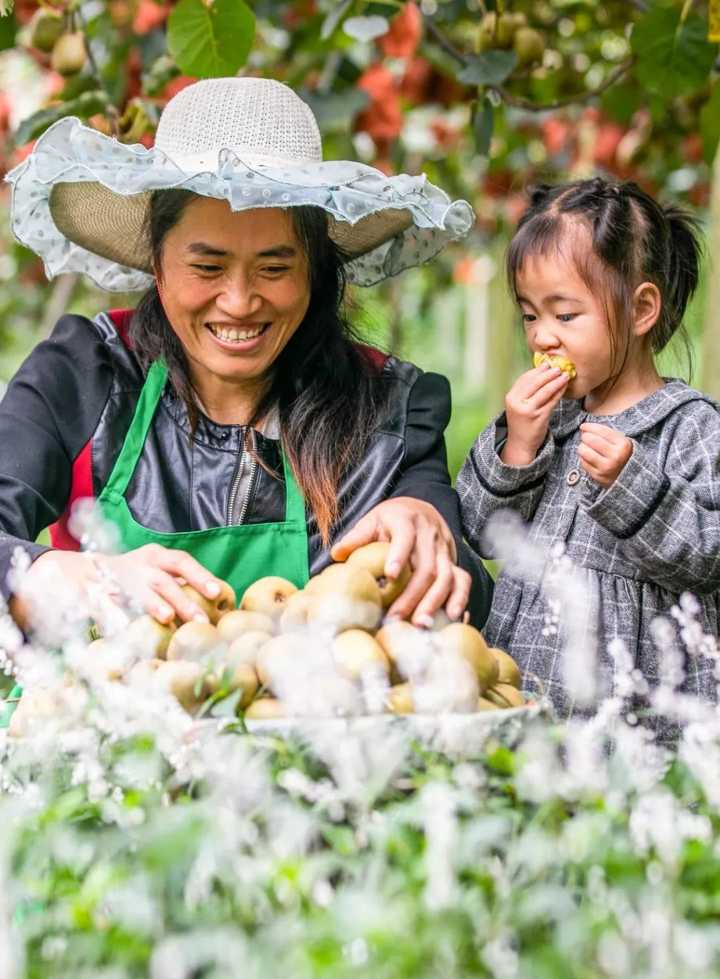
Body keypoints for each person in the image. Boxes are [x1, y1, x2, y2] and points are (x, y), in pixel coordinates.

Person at [3, 76, 492, 635]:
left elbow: (465, 605)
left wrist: (429, 531)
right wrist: (61, 576)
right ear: (157, 266)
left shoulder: (387, 407)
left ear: (315, 271)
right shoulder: (87, 373)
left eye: (275, 268)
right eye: (207, 268)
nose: (238, 302)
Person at [457, 177, 720, 717]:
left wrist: (637, 489)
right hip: (524, 698)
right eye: (530, 315)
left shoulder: (689, 428)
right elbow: (480, 533)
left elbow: (709, 557)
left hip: (635, 718)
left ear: (641, 309)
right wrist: (516, 451)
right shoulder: (543, 420)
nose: (541, 337)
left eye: (565, 315)